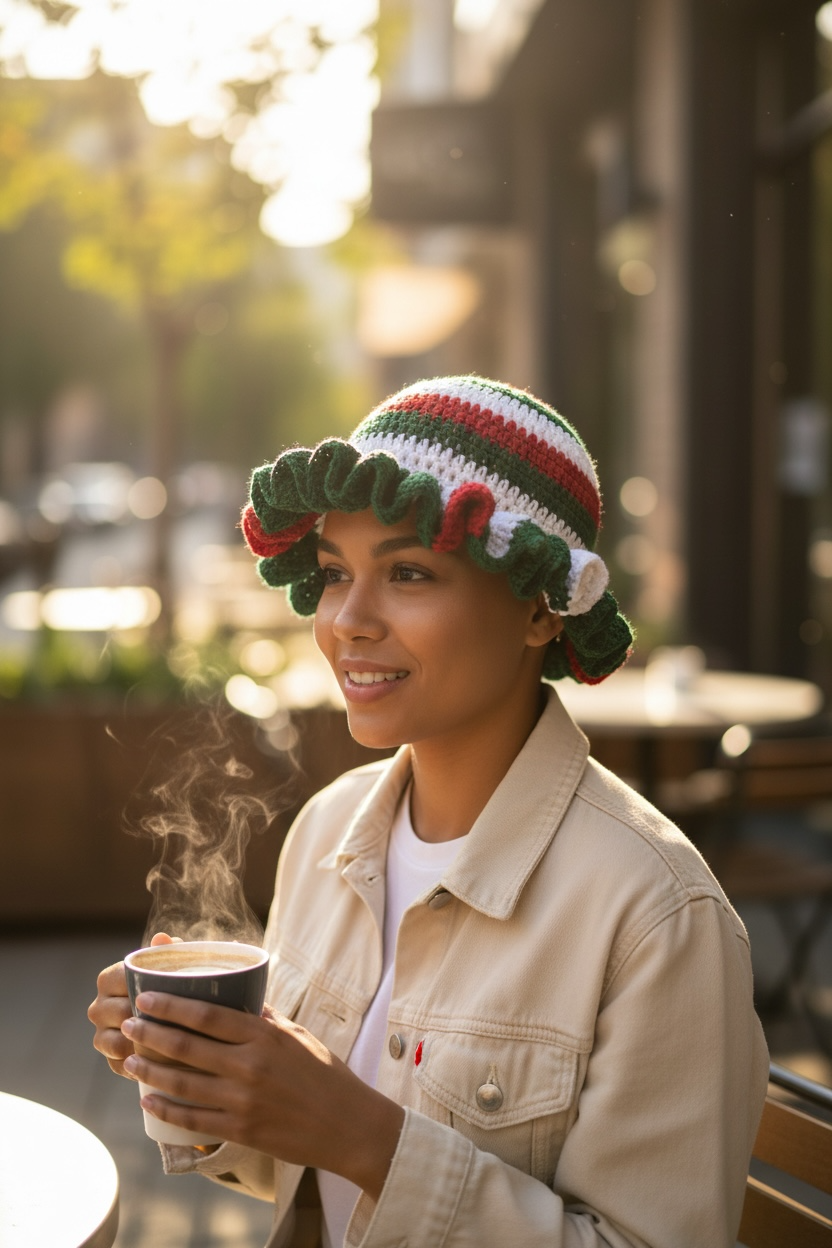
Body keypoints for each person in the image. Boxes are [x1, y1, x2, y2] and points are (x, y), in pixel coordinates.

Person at [90, 375, 769, 1248]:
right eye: (336, 574)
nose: (348, 622)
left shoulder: (657, 917)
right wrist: (209, 1079)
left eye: (408, 572)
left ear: (537, 605)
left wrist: (364, 1135)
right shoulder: (328, 832)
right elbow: (299, 1172)